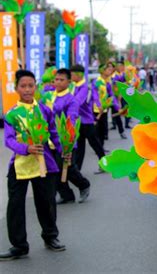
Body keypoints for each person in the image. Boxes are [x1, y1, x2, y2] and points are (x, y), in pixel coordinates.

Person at [1, 70, 66, 261]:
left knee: (46, 202)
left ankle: (50, 237)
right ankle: (19, 246)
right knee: (15, 206)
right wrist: (26, 148)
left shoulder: (44, 110)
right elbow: (9, 140)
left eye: (31, 85)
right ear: (16, 88)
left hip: (45, 164)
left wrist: (64, 149)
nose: (27, 89)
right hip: (20, 165)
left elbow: (54, 133)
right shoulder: (12, 114)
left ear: (35, 87)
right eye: (23, 86)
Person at [50, 68, 91, 204]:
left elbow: (71, 119)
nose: (58, 82)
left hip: (65, 139)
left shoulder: (71, 100)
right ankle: (66, 195)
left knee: (68, 168)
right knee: (54, 170)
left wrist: (68, 140)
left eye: (62, 80)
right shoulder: (49, 96)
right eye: (56, 79)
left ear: (69, 82)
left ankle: (84, 185)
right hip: (50, 140)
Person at [70, 65, 106, 174]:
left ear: (78, 75)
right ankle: (78, 169)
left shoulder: (84, 88)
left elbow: (77, 101)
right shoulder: (74, 86)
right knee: (80, 146)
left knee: (95, 144)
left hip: (87, 121)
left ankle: (105, 164)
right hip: (78, 122)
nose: (70, 76)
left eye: (72, 74)